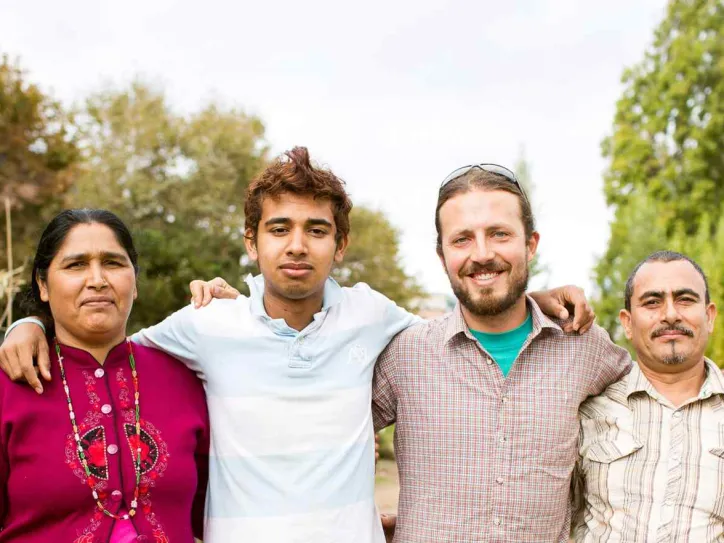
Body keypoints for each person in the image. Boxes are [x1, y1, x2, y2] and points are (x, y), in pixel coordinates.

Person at [0, 150, 593, 543]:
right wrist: (27, 325)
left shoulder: (371, 314)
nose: (297, 246)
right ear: (251, 243)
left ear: (341, 245)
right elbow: (102, 340)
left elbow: (461, 326)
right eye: (279, 229)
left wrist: (526, 294)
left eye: (316, 230)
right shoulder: (208, 325)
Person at [371, 164, 633, 542]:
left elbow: (657, 396)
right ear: (442, 256)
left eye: (499, 234)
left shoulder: (583, 345)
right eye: (462, 239)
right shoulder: (406, 355)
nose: (482, 253)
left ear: (530, 244)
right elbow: (332, 434)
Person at [0, 209, 209, 542]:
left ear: (135, 282)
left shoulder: (185, 378)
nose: (97, 280)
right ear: (43, 285)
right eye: (76, 264)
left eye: (113, 263)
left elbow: (220, 510)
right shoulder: (10, 386)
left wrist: (233, 309)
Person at [573, 251, 724, 542]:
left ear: (709, 316)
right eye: (652, 302)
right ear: (627, 323)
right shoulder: (589, 410)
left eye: (685, 300)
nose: (670, 314)